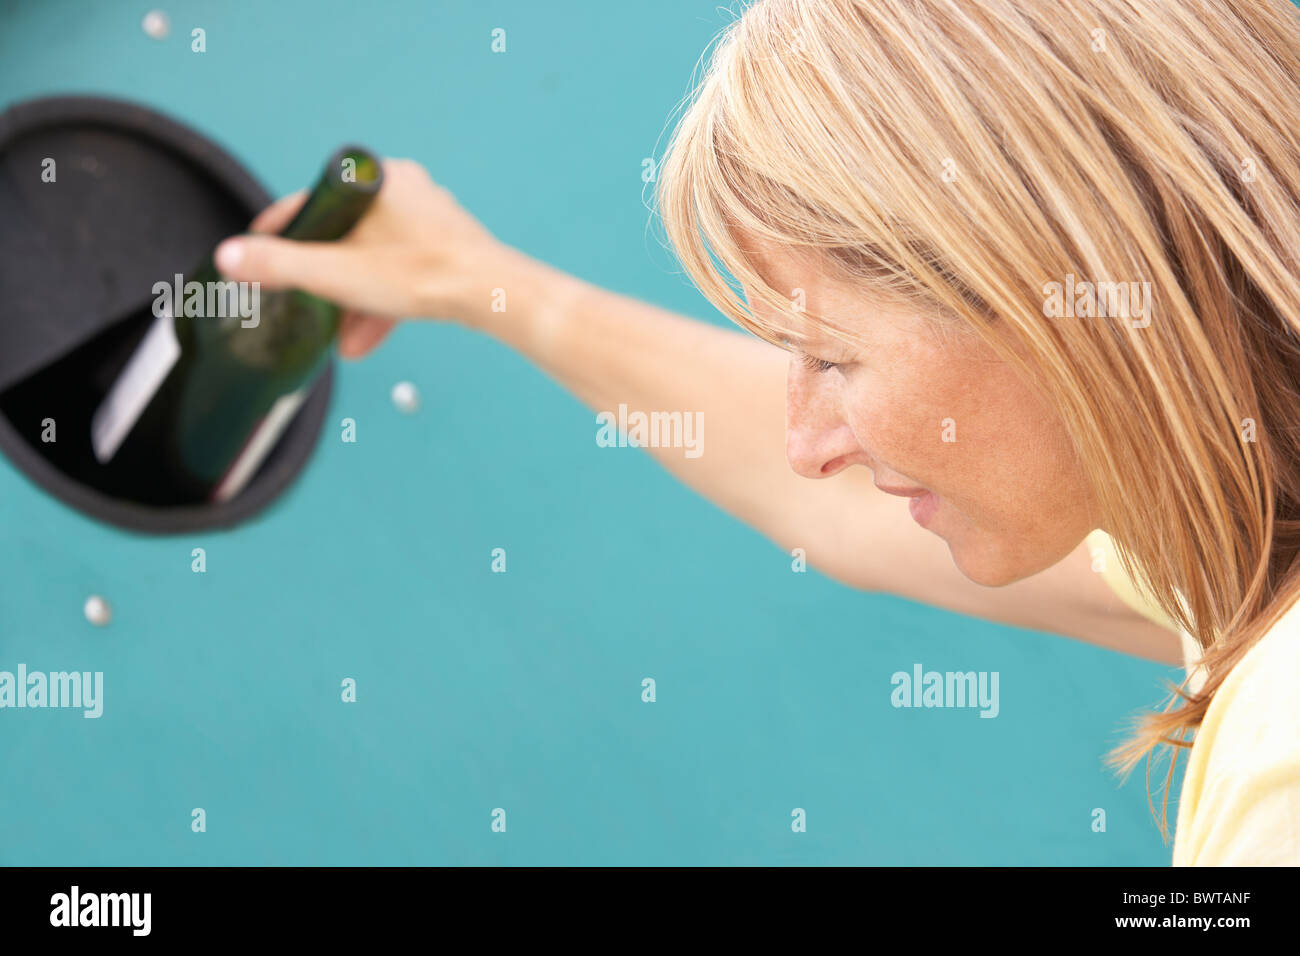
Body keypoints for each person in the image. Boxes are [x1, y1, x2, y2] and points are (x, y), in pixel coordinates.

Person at [212, 0, 1300, 864]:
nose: (807, 439)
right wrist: (485, 286)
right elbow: (831, 511)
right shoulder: (1243, 538)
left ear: (1051, 295)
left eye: (832, 357)